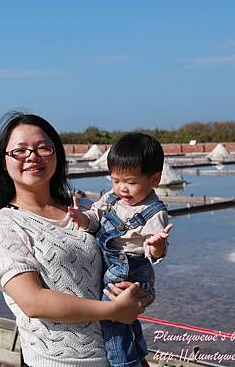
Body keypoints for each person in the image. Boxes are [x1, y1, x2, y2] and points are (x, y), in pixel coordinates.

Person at [0, 112, 163, 367]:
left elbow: (129, 258)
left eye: (43, 148)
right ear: (4, 162)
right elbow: (33, 301)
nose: (33, 156)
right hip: (59, 361)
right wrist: (114, 311)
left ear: (57, 154)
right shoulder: (4, 224)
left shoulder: (90, 210)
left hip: (121, 352)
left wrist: (139, 293)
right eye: (20, 151)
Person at [68, 132, 171, 367]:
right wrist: (82, 218)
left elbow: (154, 254)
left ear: (155, 179)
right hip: (112, 263)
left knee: (112, 317)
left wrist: (157, 245)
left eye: (131, 182)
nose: (122, 188)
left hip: (130, 269)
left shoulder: (154, 212)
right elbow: (95, 218)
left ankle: (122, 363)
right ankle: (139, 352)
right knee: (128, 320)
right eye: (115, 180)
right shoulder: (112, 199)